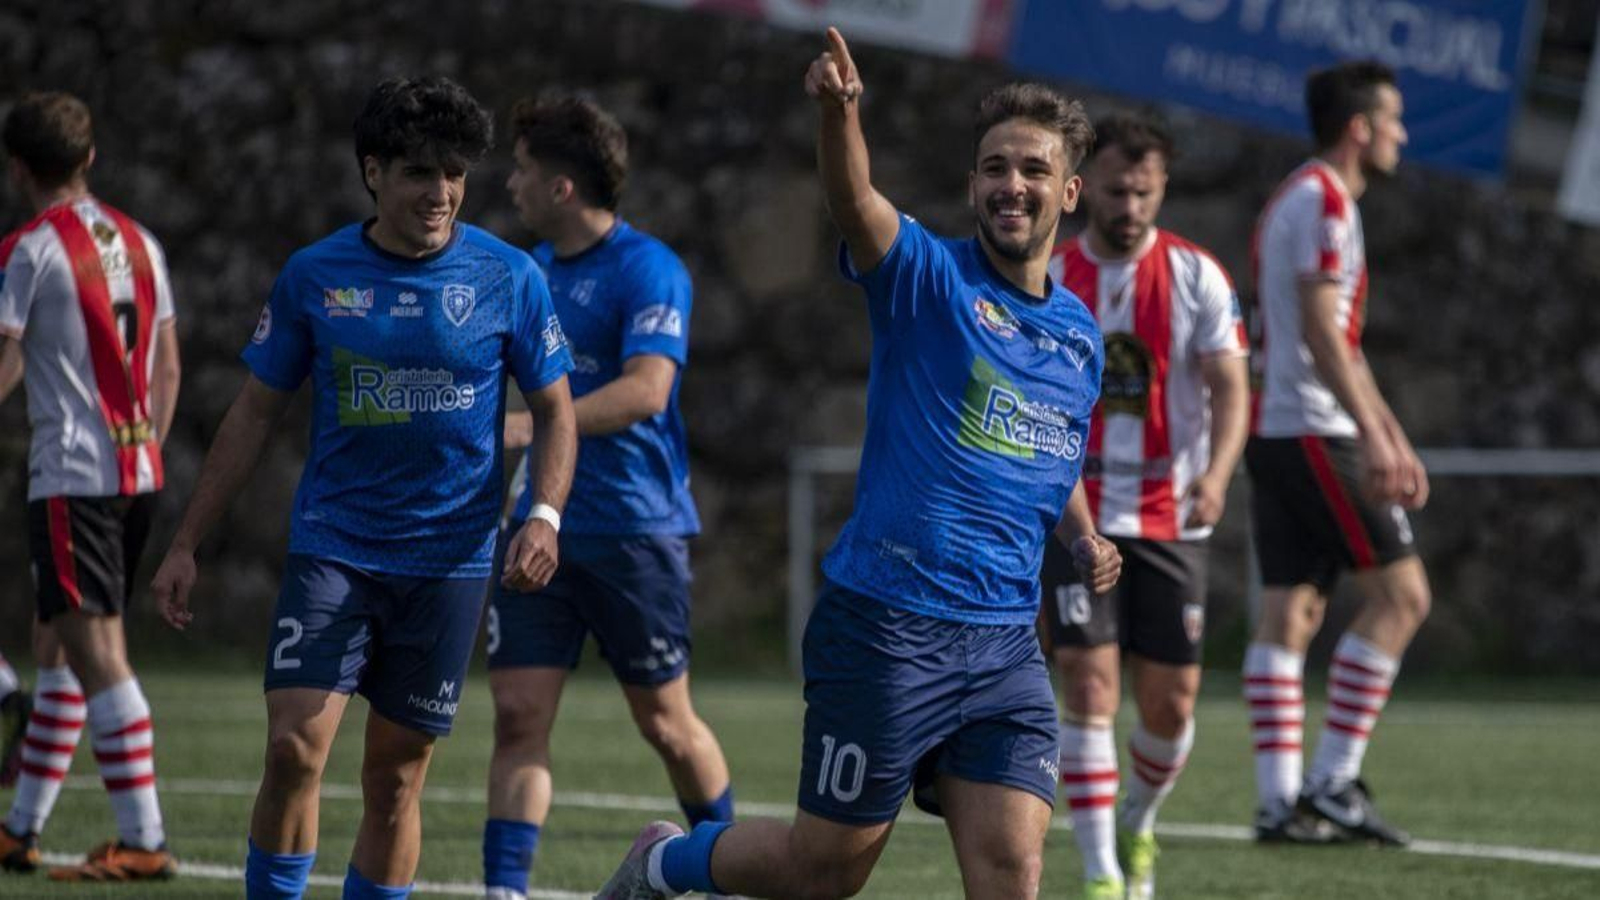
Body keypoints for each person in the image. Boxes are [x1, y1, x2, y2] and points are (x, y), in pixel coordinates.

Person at [595, 28, 1120, 900]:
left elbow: (1044, 458)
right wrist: (841, 115)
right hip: (889, 626)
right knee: (824, 871)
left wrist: (1085, 536)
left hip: (1005, 645)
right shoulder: (928, 278)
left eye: (1034, 169)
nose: (1012, 185)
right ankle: (663, 863)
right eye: (995, 167)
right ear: (972, 184)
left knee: (1012, 869)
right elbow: (855, 202)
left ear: (1069, 191)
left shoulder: (1078, 338)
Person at [148, 76, 577, 899]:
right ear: (373, 171)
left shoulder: (510, 276)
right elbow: (253, 413)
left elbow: (557, 412)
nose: (440, 192)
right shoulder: (315, 275)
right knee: (293, 749)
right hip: (336, 548)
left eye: (454, 173)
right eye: (419, 172)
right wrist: (186, 542)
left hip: (449, 563)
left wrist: (545, 516)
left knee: (395, 779)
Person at [480, 94, 735, 900]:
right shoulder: (525, 274)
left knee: (666, 723)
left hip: (634, 530)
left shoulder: (649, 269)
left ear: (562, 188)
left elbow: (647, 390)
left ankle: (726, 871)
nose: (511, 184)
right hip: (538, 528)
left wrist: (531, 426)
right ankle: (504, 891)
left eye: (523, 169)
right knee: (518, 716)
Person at [1043, 113, 1249, 898]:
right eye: (1116, 190)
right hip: (1079, 515)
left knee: (1171, 706)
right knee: (1088, 685)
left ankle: (1139, 817)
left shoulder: (1198, 276)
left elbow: (1232, 389)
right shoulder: (1053, 275)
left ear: (1161, 189)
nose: (1129, 206)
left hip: (1172, 517)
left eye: (1144, 192)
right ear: (1084, 186)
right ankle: (1101, 874)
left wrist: (1218, 475)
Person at [1244, 60, 1428, 847]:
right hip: (1313, 430)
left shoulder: (1300, 194)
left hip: (1279, 428)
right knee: (1403, 598)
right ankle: (1333, 782)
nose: (1401, 136)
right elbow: (1325, 335)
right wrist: (1375, 436)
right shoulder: (1324, 201)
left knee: (1292, 611)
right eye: (1392, 121)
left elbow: (1336, 339)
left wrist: (1387, 428)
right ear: (1360, 128)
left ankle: (1278, 802)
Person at [0, 91, 181, 882]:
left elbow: (6, 357)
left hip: (73, 476)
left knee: (97, 654)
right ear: (90, 158)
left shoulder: (29, 250)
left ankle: (144, 839)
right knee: (59, 649)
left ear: (18, 169)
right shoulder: (140, 241)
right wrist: (143, 453)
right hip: (136, 470)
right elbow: (167, 365)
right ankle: (19, 829)